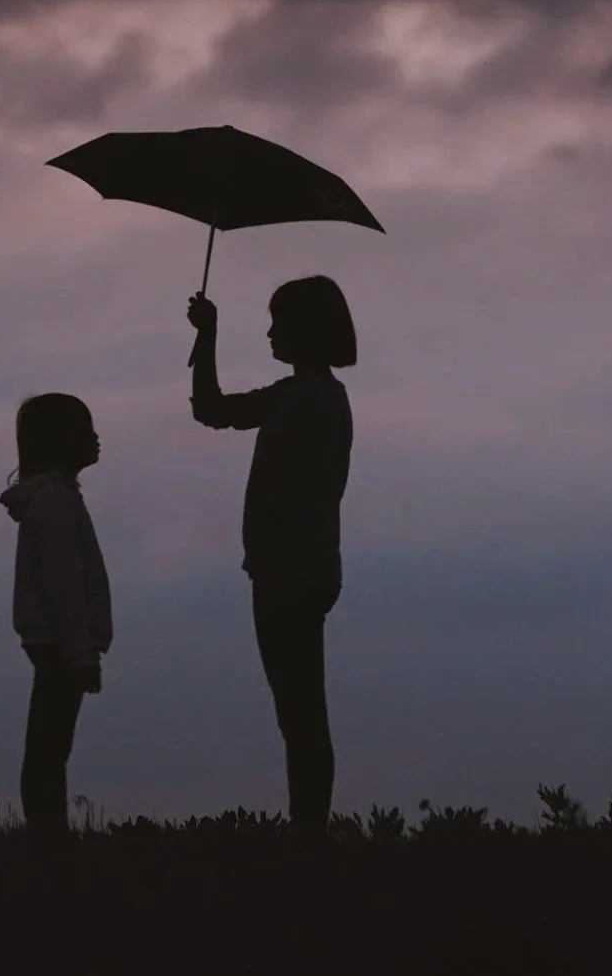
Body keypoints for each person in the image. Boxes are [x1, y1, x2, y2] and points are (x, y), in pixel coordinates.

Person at [186, 276, 356, 835]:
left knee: (301, 712)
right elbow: (211, 409)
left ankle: (309, 832)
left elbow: (311, 494)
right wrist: (207, 336)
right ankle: (307, 829)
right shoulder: (295, 394)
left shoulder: (317, 399)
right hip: (285, 570)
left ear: (307, 329)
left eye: (279, 322)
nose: (270, 333)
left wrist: (288, 569)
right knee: (297, 711)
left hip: (294, 573)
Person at [0, 392, 112, 836]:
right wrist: (81, 654)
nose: (96, 438)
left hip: (55, 641)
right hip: (59, 643)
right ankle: (47, 831)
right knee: (50, 746)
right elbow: (64, 583)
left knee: (49, 744)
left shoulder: (55, 500)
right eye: (85, 430)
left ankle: (47, 829)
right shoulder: (55, 503)